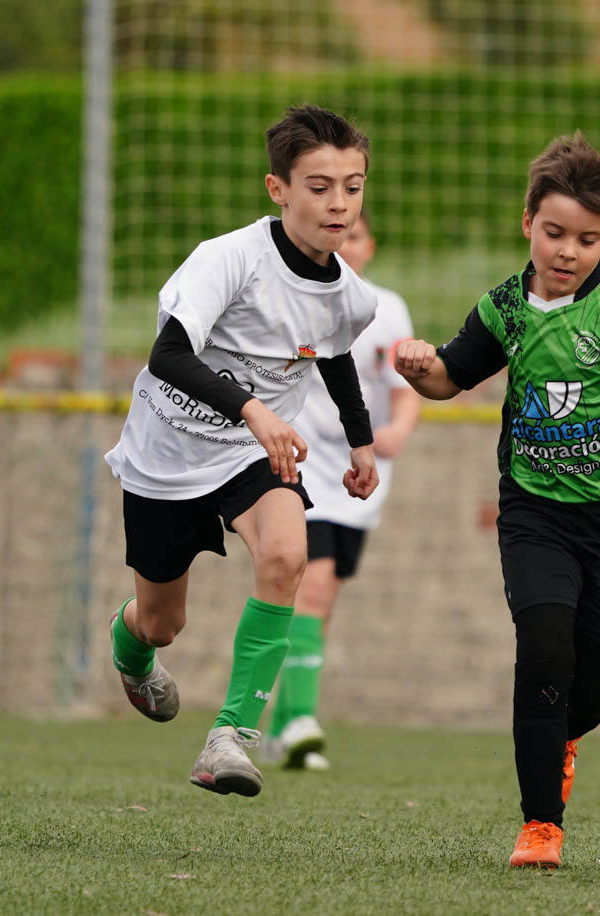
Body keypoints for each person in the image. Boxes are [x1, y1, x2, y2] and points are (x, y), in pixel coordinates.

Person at [393, 133, 600, 868]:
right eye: (555, 233)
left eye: (588, 239)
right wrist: (421, 370)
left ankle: (562, 740)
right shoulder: (505, 307)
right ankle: (542, 825)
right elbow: (449, 378)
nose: (568, 251)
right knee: (543, 650)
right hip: (535, 511)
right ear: (528, 221)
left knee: (591, 688)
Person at [103, 105, 380, 798]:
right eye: (319, 186)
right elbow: (168, 355)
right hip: (165, 456)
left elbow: (337, 356)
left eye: (352, 185)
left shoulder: (352, 295)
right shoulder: (228, 258)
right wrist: (254, 408)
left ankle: (230, 737)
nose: (338, 202)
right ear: (277, 188)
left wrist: (361, 443)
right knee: (163, 623)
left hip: (252, 456)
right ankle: (131, 652)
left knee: (289, 554)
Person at [260, 208, 421, 771]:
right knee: (315, 588)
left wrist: (397, 429)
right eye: (339, 234)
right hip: (302, 462)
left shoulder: (386, 309)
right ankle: (302, 720)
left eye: (355, 235)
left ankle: (283, 726)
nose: (346, 244)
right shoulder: (297, 298)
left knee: (319, 607)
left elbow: (403, 388)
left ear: (369, 245)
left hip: (360, 473)